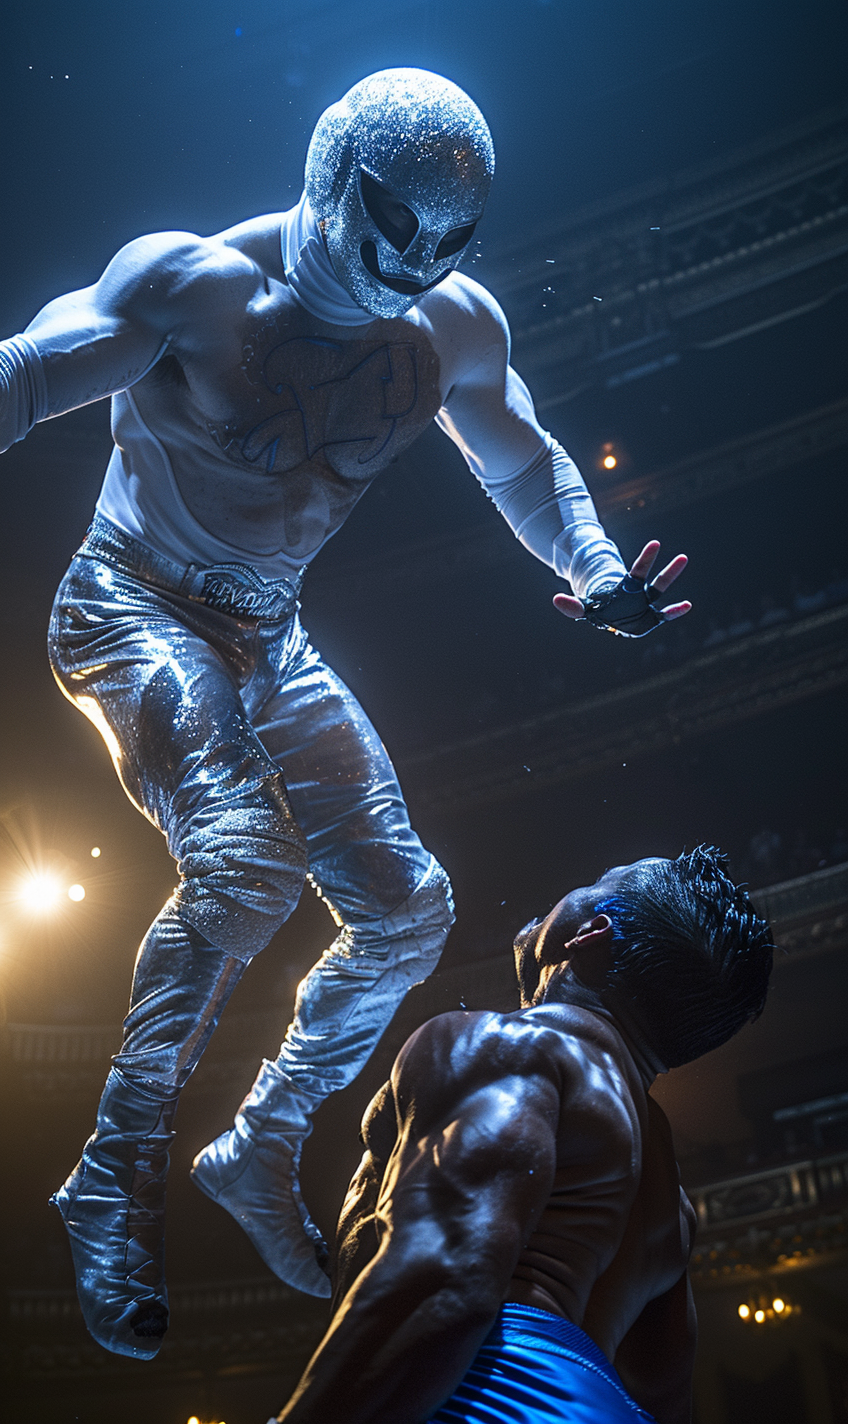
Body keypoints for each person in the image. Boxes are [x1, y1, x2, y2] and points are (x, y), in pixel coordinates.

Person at [0, 69, 690, 1360]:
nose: (410, 267)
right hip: (129, 606)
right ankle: (114, 1169)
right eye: (391, 228)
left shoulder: (449, 332)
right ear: (330, 179)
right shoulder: (195, 287)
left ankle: (261, 1141)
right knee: (249, 866)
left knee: (407, 907)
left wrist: (594, 568)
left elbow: (521, 457)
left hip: (268, 636)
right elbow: (33, 373)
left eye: (446, 246)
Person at [278, 848, 773, 1424]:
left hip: (487, 1387)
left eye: (593, 879)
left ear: (589, 937)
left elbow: (444, 1276)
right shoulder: (672, 1202)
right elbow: (663, 1396)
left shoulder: (515, 1048)